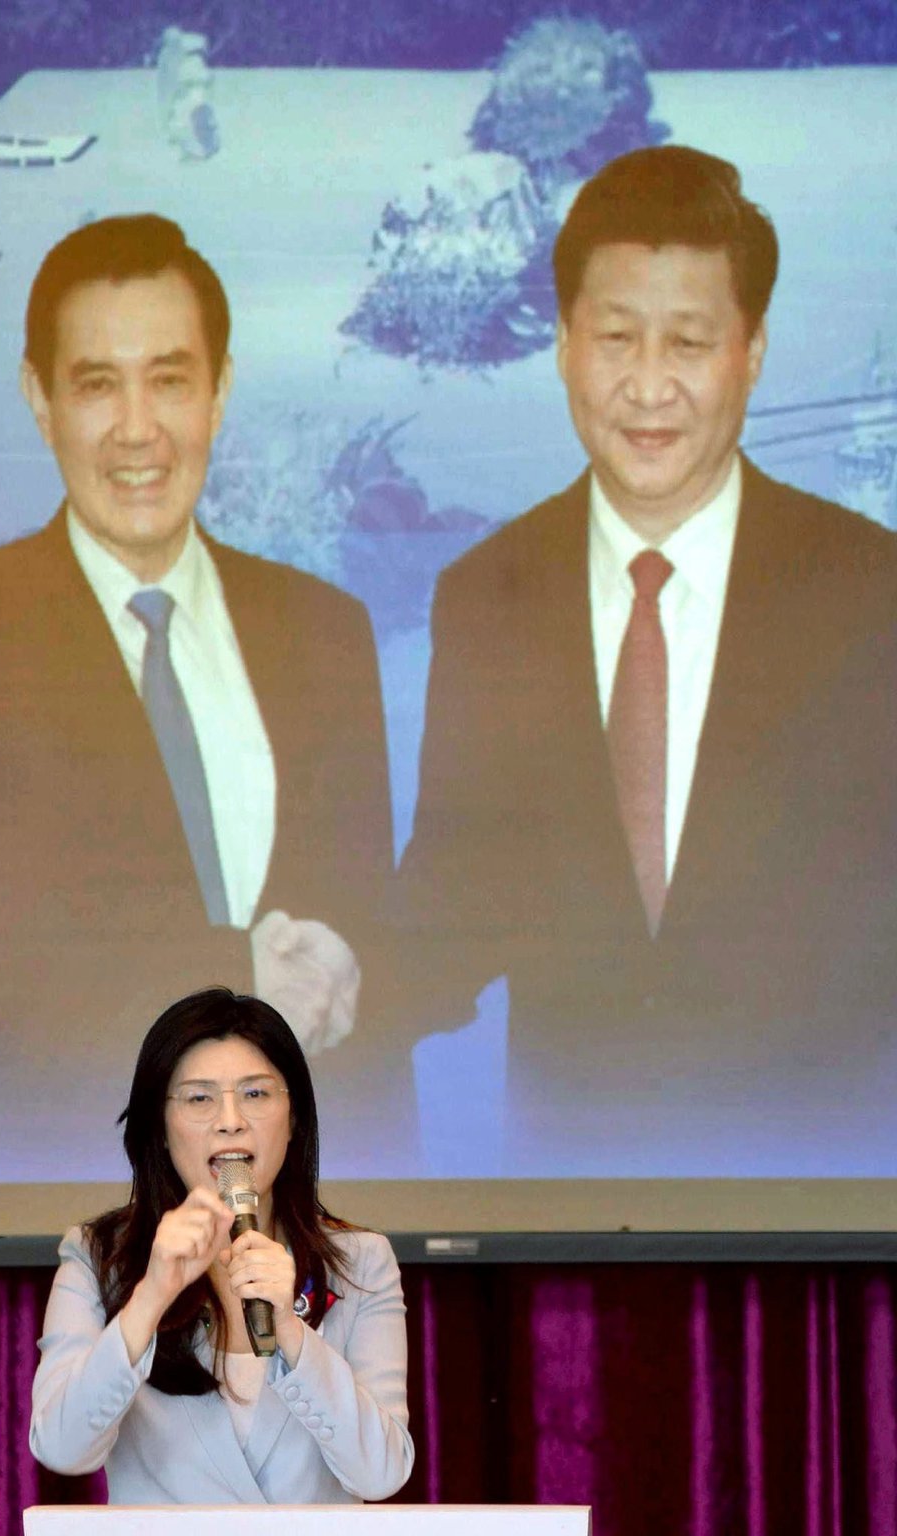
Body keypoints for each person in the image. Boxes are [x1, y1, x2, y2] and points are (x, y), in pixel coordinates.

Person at [0, 214, 409, 1171]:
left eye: (169, 379)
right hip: (63, 1234)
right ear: (39, 399)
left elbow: (353, 965)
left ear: (220, 390)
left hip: (314, 1248)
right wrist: (243, 974)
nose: (136, 429)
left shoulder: (325, 632)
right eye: (96, 385)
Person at [396, 145, 897, 1166]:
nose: (648, 386)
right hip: (567, 1210)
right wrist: (328, 983)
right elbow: (453, 899)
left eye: (690, 342)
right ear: (564, 347)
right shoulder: (488, 595)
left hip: (827, 1213)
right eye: (615, 337)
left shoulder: (870, 595)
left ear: (751, 349)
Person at [30, 986, 414, 1503]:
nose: (230, 1119)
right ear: (161, 1129)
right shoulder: (98, 1258)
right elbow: (61, 1447)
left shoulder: (361, 1262)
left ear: (294, 1117)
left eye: (255, 1094)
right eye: (199, 1097)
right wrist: (150, 1296)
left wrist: (289, 1332)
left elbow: (382, 1473)